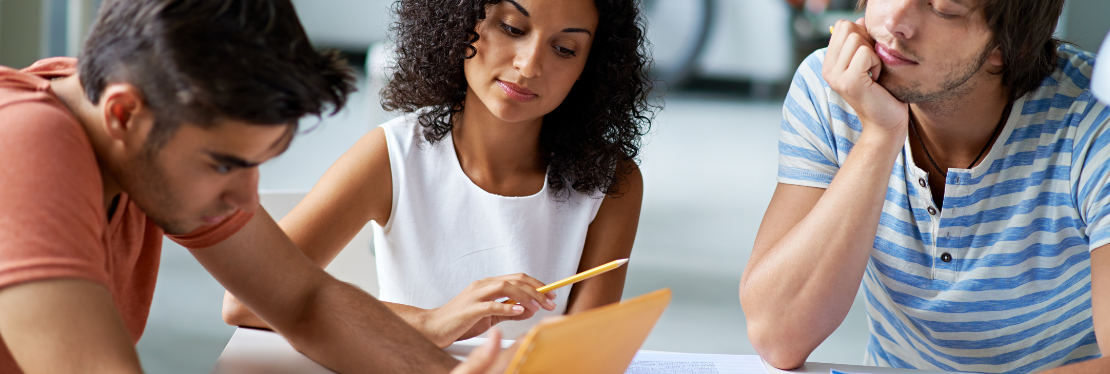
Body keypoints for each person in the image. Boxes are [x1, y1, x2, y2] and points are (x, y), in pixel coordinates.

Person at [0, 0, 513, 373]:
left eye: (257, 164)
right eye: (223, 165)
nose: (246, 200)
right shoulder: (22, 141)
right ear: (123, 112)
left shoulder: (131, 108)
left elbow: (305, 299)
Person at [222, 0, 654, 345]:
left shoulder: (610, 182)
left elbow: (584, 355)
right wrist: (431, 322)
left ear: (590, 70)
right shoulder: (392, 156)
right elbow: (246, 302)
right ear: (461, 22)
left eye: (564, 49)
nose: (529, 65)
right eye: (512, 27)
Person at [739, 0, 1110, 372]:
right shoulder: (833, 87)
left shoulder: (1094, 122)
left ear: (1008, 48)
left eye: (943, 9)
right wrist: (879, 136)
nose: (894, 22)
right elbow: (777, 336)